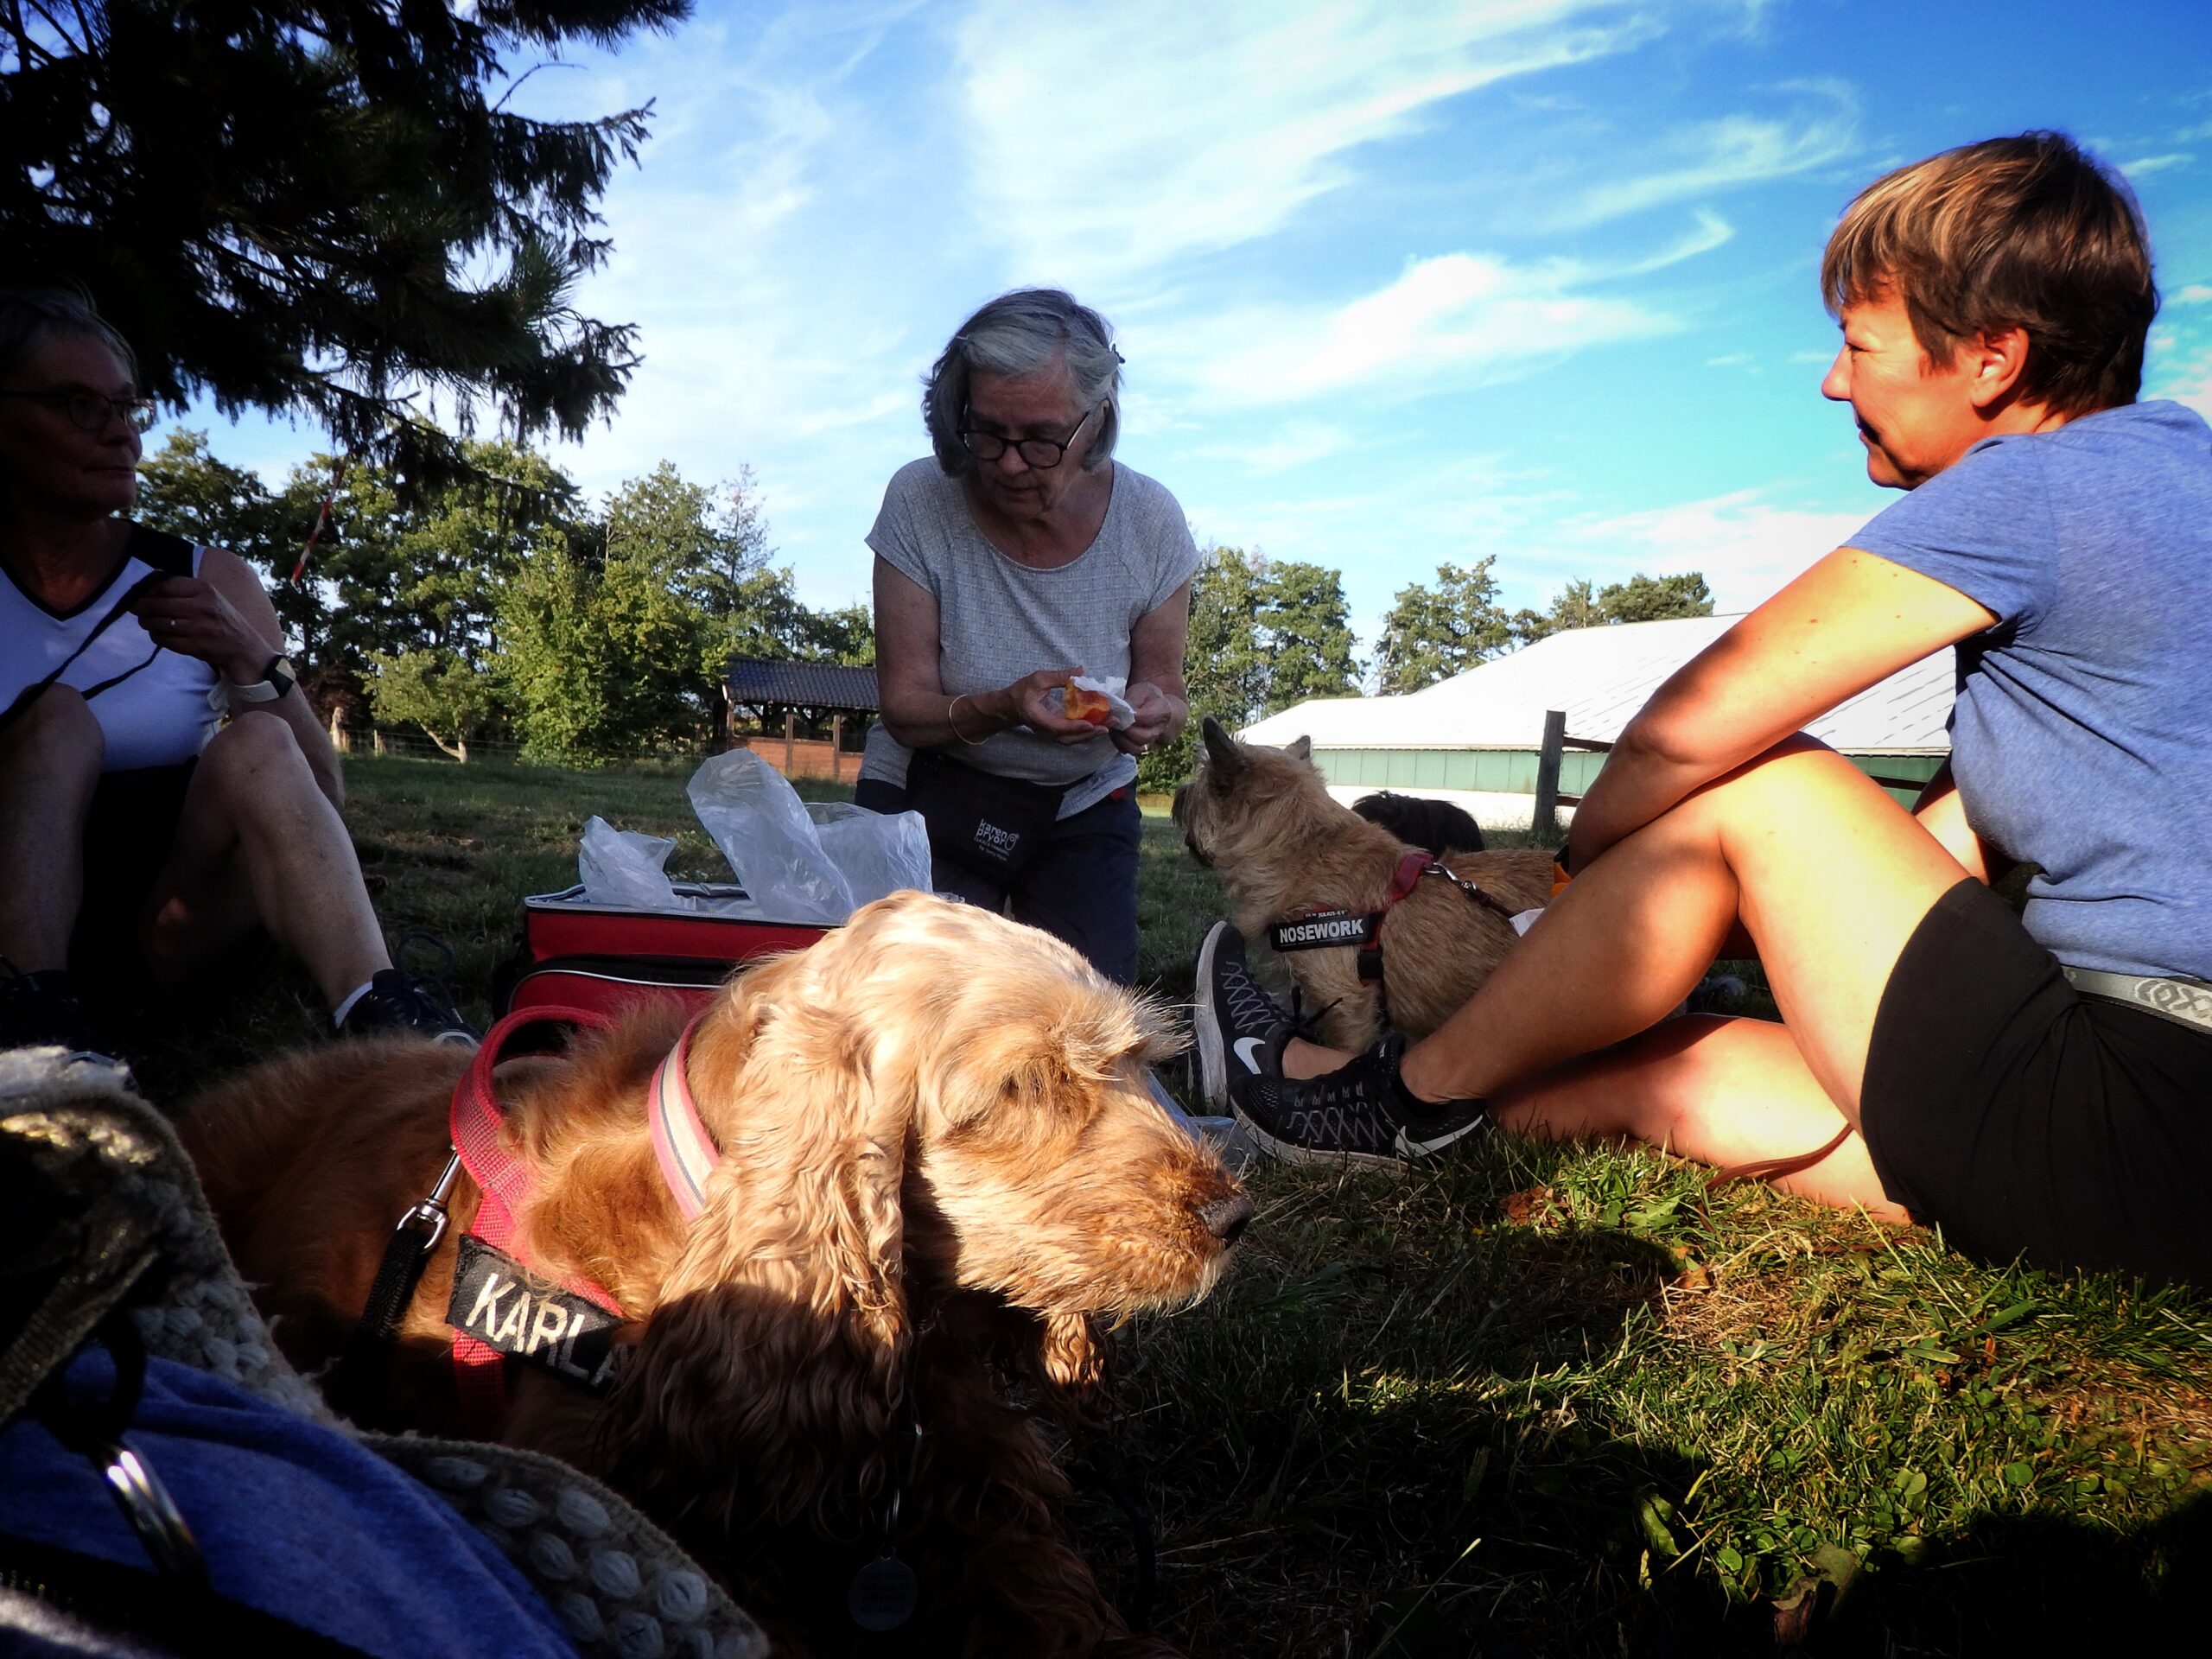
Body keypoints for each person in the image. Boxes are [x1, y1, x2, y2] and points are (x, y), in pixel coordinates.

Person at [1194, 132, 2212, 1286]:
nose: (1836, 381)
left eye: (1858, 342)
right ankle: (1336, 1109)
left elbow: (1689, 724)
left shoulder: (2041, 486)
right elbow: (1947, 856)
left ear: (1991, 357)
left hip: (2130, 1108)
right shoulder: (2173, 490)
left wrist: (1586, 879)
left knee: (1766, 781)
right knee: (1647, 1074)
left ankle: (1395, 1103)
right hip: (2154, 1149)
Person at [0, 286, 474, 1058]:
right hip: (13, 922)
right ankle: (33, 1021)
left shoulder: (207, 576)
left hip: (171, 931)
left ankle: (386, 1018)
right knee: (53, 719)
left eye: (127, 407)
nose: (120, 434)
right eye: (77, 405)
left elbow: (320, 796)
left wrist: (249, 656)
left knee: (258, 741)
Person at [855, 289, 1198, 984]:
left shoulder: (1151, 522)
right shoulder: (920, 501)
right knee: (905, 1005)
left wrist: (1152, 712)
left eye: (1041, 439)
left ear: (1096, 423)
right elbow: (906, 706)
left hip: (1081, 801)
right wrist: (1007, 705)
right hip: (930, 787)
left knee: (1087, 1012)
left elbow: (1167, 689)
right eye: (988, 433)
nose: (1009, 464)